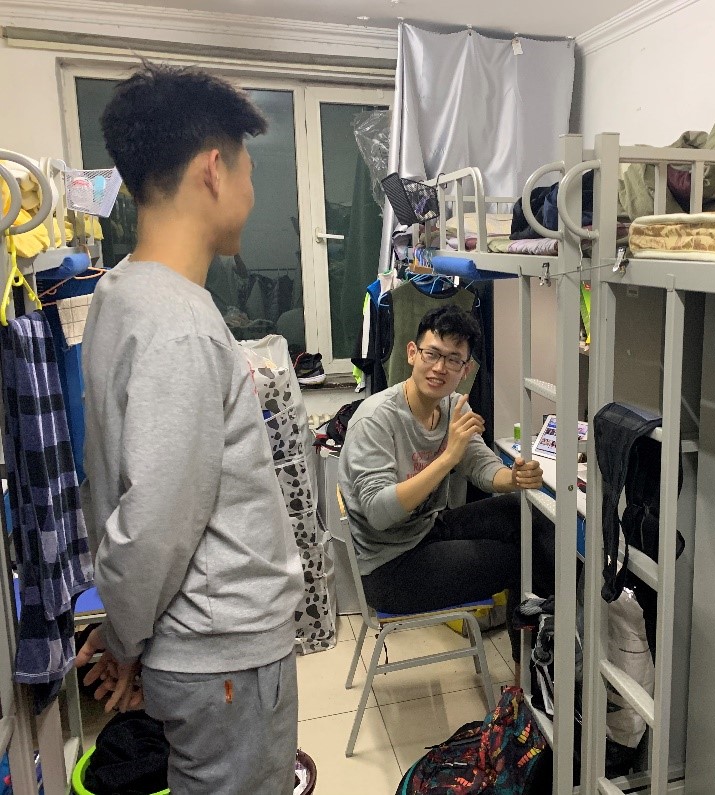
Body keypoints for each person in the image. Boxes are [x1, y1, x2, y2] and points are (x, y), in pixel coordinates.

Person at [74, 64, 303, 795]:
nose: (252, 194)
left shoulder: (119, 292)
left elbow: (122, 488)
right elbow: (154, 525)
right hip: (225, 650)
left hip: (193, 642)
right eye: (249, 172)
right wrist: (123, 634)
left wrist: (127, 630)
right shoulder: (182, 326)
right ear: (213, 169)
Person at [338, 305, 554, 656]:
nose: (439, 368)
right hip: (389, 566)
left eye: (453, 359)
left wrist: (513, 477)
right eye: (432, 354)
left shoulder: (455, 406)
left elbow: (481, 466)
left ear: (465, 369)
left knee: (524, 514)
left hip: (427, 529)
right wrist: (447, 457)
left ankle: (549, 650)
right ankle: (534, 668)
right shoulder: (375, 419)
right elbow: (379, 513)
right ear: (412, 353)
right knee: (522, 560)